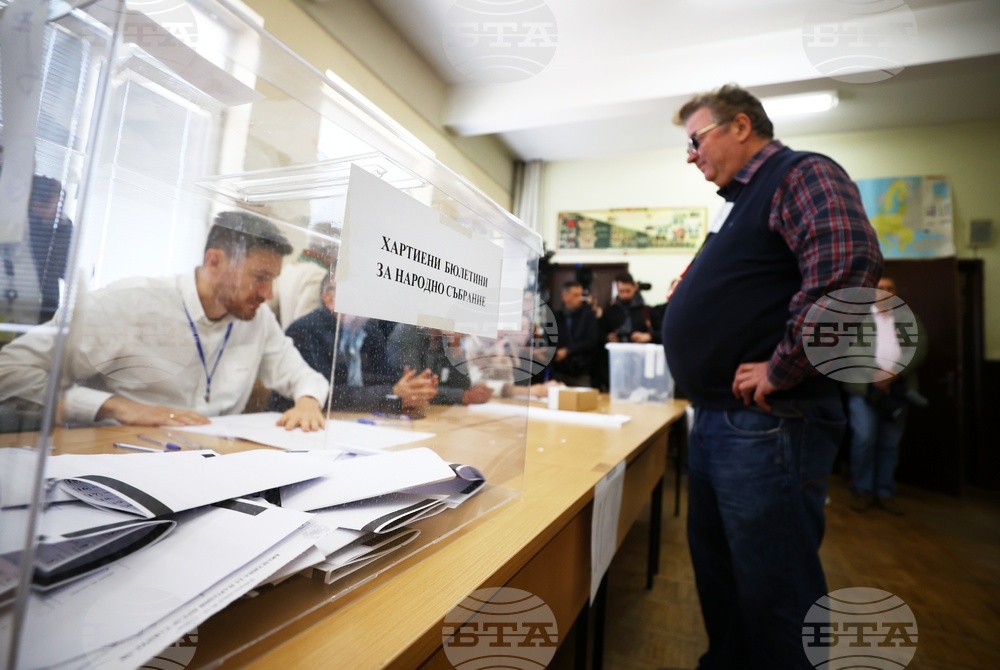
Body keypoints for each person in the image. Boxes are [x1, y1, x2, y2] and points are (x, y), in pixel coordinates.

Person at [662, 84, 883, 669]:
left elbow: (846, 275)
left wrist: (781, 367)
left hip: (767, 422)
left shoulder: (798, 173)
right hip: (718, 420)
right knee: (721, 580)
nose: (690, 156)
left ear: (739, 126)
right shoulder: (737, 205)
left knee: (775, 593)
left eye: (695, 139)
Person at [0, 210, 329, 431]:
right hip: (115, 456)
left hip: (210, 461)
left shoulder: (255, 320)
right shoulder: (126, 303)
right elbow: (8, 371)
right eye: (259, 277)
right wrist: (116, 407)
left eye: (272, 279)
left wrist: (308, 401)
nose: (268, 293)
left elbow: (302, 376)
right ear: (214, 261)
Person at [267, 273, 438, 414]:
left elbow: (382, 378)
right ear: (329, 300)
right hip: (296, 422)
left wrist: (412, 387)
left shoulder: (369, 330)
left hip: (354, 420)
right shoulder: (305, 330)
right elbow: (324, 393)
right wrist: (391, 393)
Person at [843, 277, 928, 516]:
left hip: (898, 389)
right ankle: (862, 489)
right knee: (864, 439)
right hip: (864, 389)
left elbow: (919, 347)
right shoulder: (857, 318)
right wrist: (876, 374)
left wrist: (893, 374)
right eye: (880, 288)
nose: (885, 292)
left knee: (890, 444)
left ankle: (884, 491)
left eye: (890, 288)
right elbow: (849, 349)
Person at [387, 324, 493, 406]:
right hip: (392, 410)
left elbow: (462, 386)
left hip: (429, 412)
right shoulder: (407, 332)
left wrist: (455, 347)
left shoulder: (445, 338)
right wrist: (462, 396)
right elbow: (415, 388)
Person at [270, 221, 339, 330]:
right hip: (299, 342)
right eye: (337, 250)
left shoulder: (290, 268)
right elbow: (306, 325)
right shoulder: (318, 275)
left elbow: (272, 309)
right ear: (330, 249)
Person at [551, 280, 600, 386]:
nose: (580, 299)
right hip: (559, 369)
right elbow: (550, 339)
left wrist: (569, 350)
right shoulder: (556, 316)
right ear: (565, 296)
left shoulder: (588, 316)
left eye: (581, 295)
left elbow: (592, 341)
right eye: (576, 295)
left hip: (581, 370)